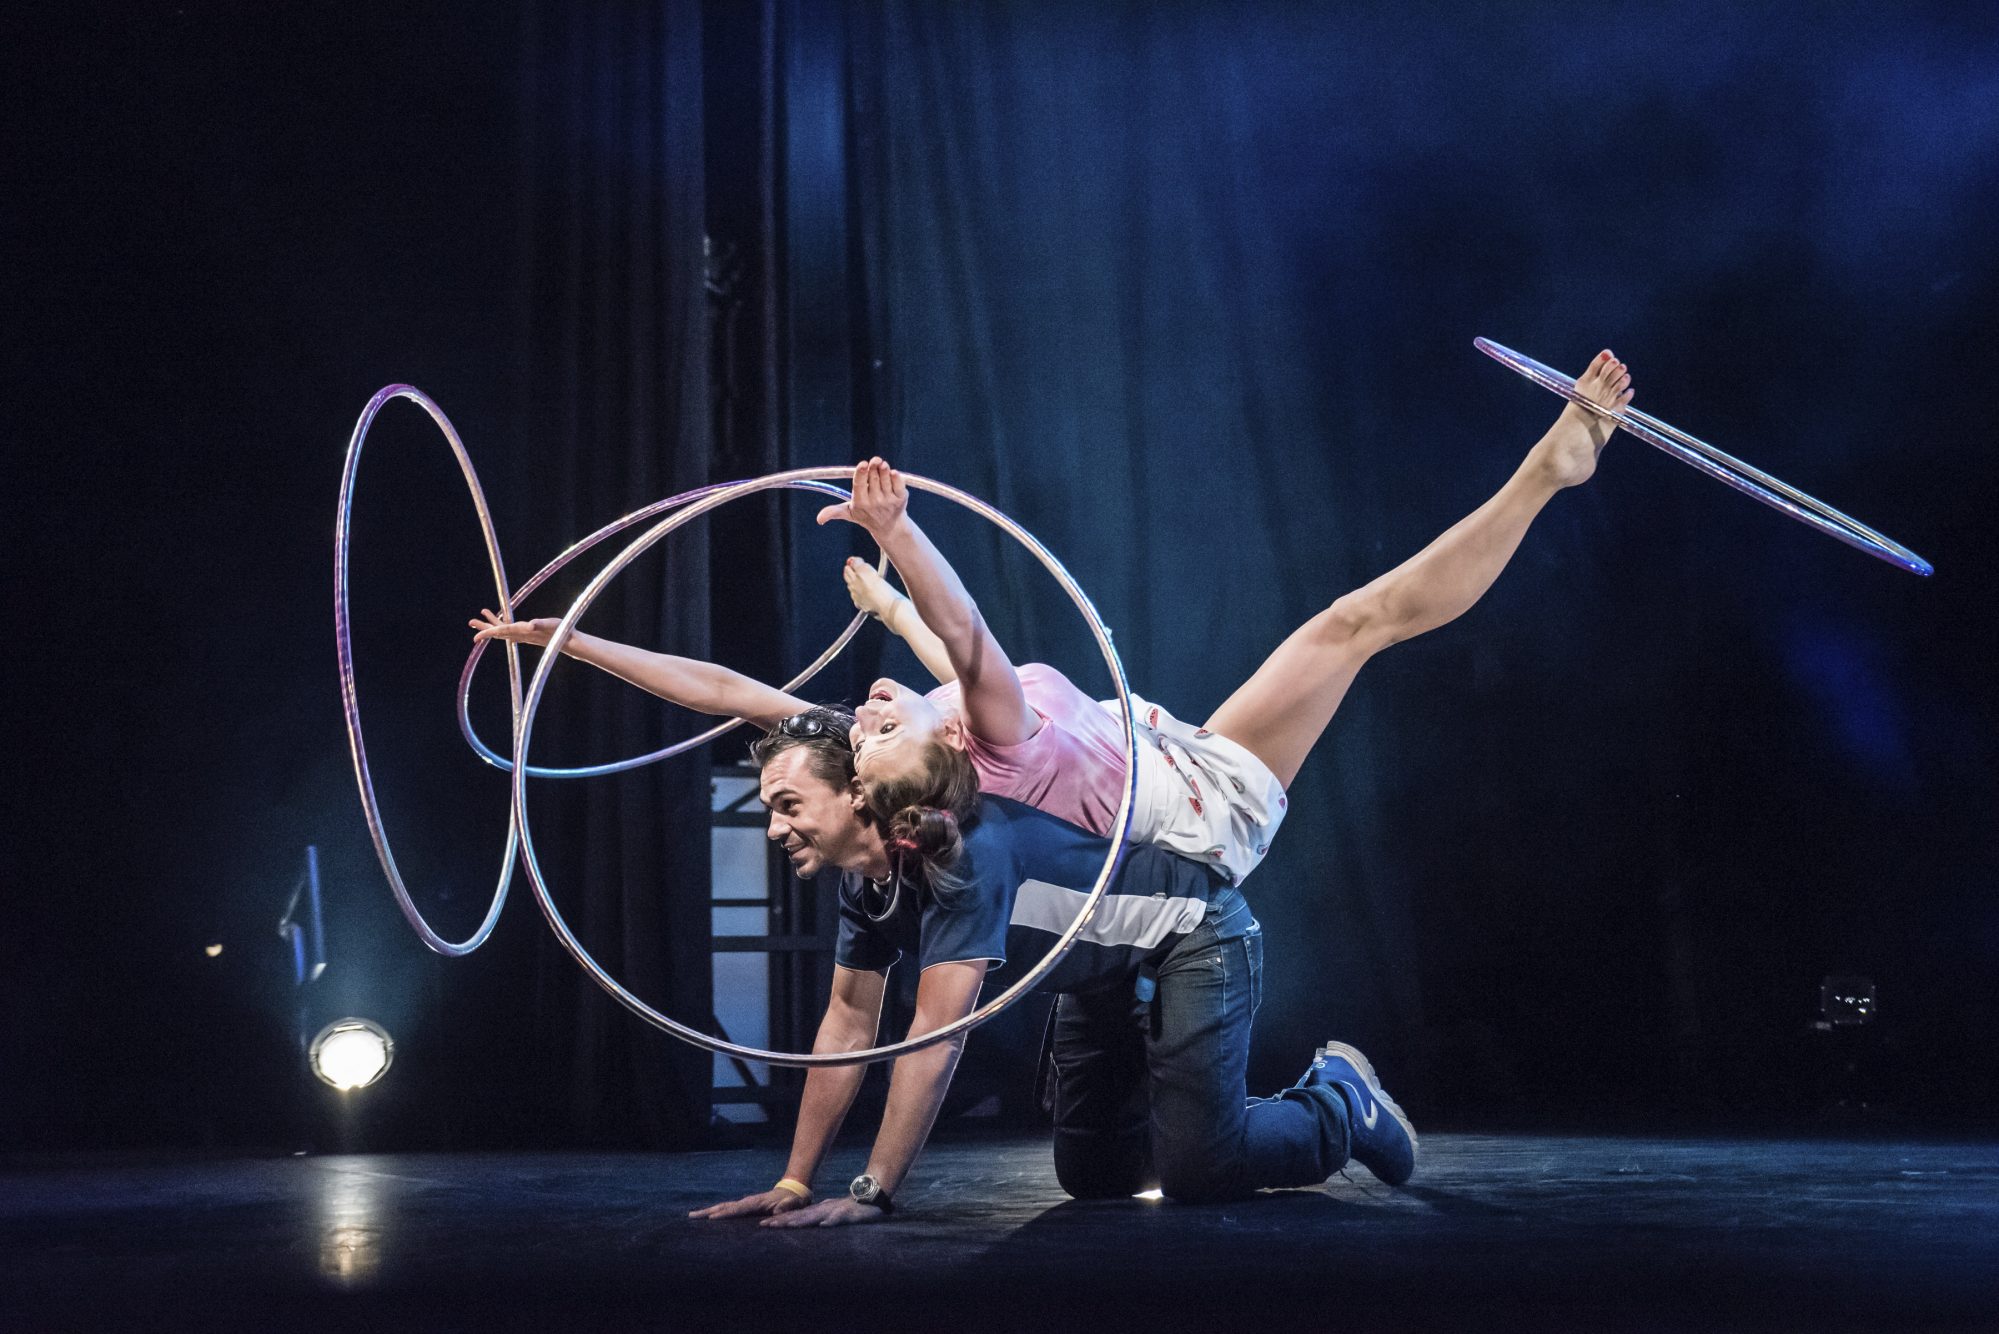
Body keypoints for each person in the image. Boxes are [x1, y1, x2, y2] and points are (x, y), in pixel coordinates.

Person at [475, 350, 1634, 886]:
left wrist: (565, 638)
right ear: (920, 760)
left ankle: (1548, 466)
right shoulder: (989, 734)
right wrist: (899, 534)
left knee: (1350, 623)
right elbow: (969, 639)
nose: (861, 712)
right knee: (1352, 623)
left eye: (865, 722)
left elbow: (724, 688)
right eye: (872, 730)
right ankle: (1547, 471)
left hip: (1163, 749)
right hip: (1196, 810)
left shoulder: (923, 727)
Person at [685, 713, 1414, 1225]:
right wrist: (793, 1180)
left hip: (1193, 937)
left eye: (786, 805)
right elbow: (847, 1026)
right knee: (1093, 1177)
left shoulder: (956, 854)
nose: (775, 827)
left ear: (854, 794)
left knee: (1198, 1175)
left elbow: (936, 1034)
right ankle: (1197, 1122)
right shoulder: (864, 884)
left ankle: (1338, 1104)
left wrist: (873, 1192)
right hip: (1095, 978)